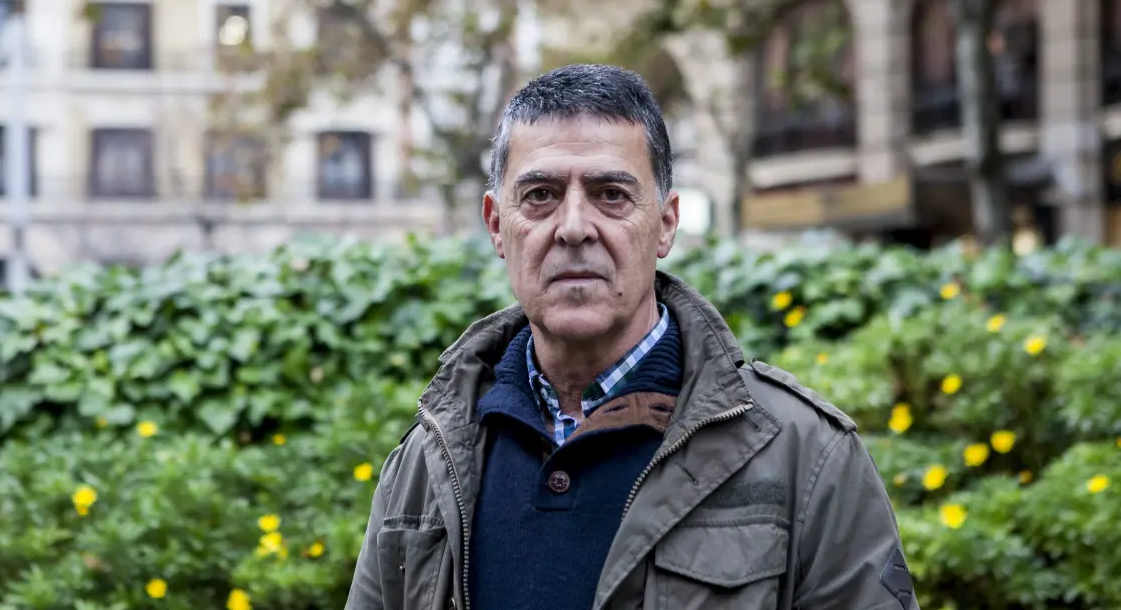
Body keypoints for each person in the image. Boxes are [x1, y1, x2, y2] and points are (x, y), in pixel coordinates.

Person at [346, 64, 918, 610]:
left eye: (611, 195)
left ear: (666, 224)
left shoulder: (803, 457)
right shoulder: (427, 465)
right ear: (497, 225)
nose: (573, 228)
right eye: (540, 195)